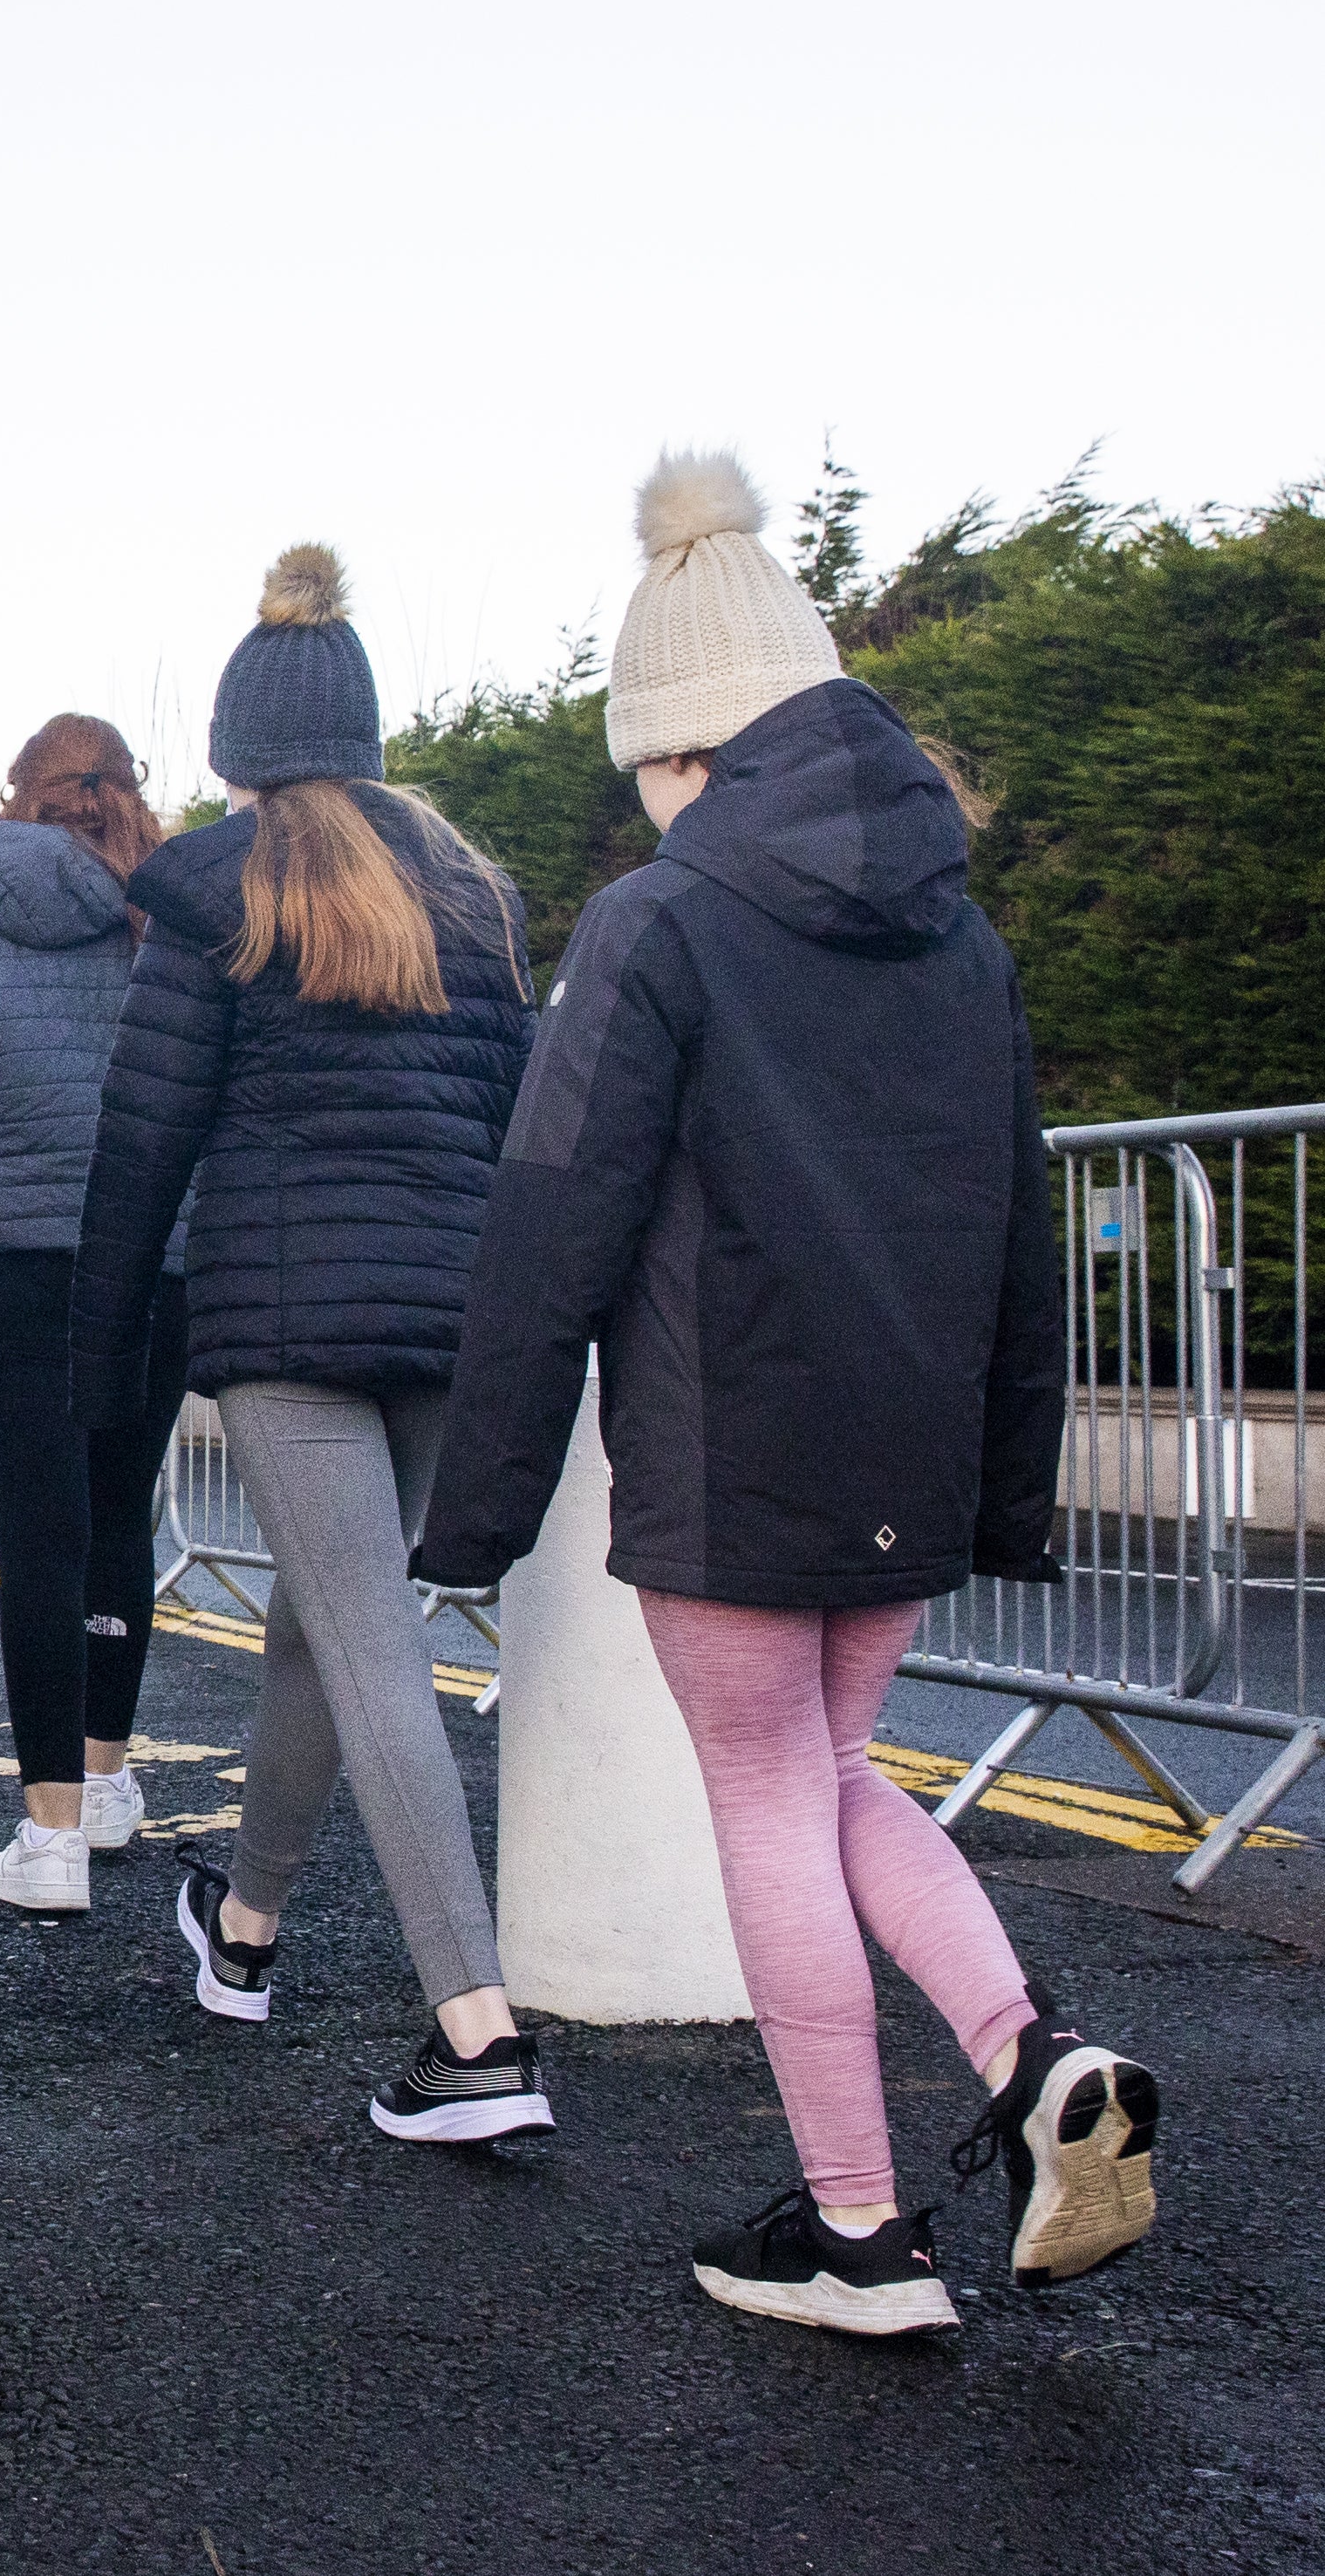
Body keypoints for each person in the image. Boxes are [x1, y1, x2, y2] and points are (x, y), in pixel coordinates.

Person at [413, 451, 1155, 2334]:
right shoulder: (957, 933)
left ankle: (856, 2234)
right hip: (902, 1436)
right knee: (833, 1773)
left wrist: (475, 1514)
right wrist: (1007, 1484)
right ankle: (1022, 2050)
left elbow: (546, 1227)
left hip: (726, 1439)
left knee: (760, 1788)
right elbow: (1012, 1232)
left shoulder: (658, 927)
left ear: (678, 750)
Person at [67, 542, 549, 2143]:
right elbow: (517, 1119)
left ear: (234, 747)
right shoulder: (473, 896)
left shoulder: (219, 886)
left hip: (284, 1315)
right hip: (451, 1308)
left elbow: (144, 1142)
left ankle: (476, 2035)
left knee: (365, 1643)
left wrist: (98, 1342)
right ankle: (245, 1928)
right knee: (325, 1629)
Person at [0, 715, 192, 1908]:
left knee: (38, 1532)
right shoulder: (171, 901)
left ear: (21, 793)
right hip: (156, 1256)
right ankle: (104, 1781)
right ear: (121, 793)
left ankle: (45, 1836)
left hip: (21, 1253)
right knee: (119, 1517)